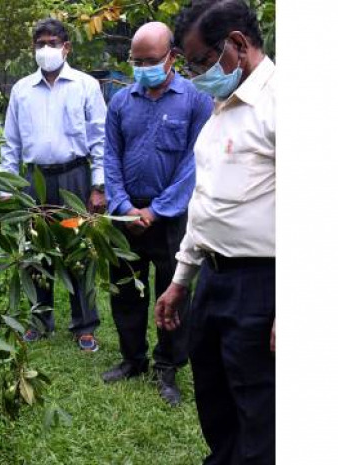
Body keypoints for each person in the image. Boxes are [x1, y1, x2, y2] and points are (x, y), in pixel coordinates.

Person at [155, 0, 275, 461]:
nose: (195, 74)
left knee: (262, 411)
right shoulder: (222, 104)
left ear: (238, 46)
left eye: (201, 62)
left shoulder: (281, 104)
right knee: (215, 397)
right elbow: (205, 202)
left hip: (263, 284)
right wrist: (182, 280)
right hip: (215, 279)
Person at [101, 22, 213, 406]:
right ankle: (132, 358)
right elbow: (110, 157)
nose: (143, 67)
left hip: (171, 219)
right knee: (125, 292)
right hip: (126, 215)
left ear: (172, 58)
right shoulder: (120, 101)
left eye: (150, 60)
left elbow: (194, 163)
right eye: (136, 61)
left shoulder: (196, 101)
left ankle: (168, 366)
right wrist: (122, 207)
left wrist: (157, 210)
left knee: (173, 292)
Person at [0, 18, 107, 350]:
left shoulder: (86, 86)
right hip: (35, 181)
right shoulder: (21, 90)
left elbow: (101, 138)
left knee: (79, 250)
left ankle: (85, 324)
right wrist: (6, 187)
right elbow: (11, 142)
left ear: (66, 47)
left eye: (52, 43)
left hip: (75, 177)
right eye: (39, 44)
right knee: (37, 250)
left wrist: (98, 185)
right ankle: (39, 319)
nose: (45, 49)